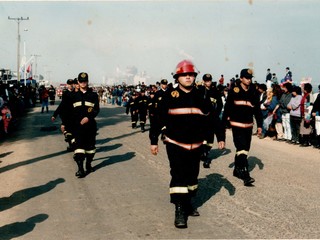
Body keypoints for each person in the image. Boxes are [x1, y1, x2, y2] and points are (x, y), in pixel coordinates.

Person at [149, 60, 215, 229]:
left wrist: (219, 137)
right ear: (177, 77)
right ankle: (179, 210)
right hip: (175, 143)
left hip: (195, 145)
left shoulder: (201, 96)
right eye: (184, 75)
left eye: (191, 75)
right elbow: (157, 119)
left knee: (192, 177)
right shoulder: (169, 96)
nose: (188, 77)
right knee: (178, 174)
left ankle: (187, 203)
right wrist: (154, 140)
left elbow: (211, 117)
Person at [222, 68, 262, 186]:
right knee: (242, 147)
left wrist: (260, 125)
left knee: (244, 149)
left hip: (248, 125)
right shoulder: (234, 90)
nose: (249, 80)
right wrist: (223, 124)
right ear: (241, 78)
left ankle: (236, 170)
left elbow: (257, 110)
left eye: (250, 78)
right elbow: (227, 108)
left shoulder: (253, 91)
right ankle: (245, 174)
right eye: (246, 78)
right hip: (237, 125)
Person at [70, 72, 99, 178]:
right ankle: (80, 169)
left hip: (90, 126)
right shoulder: (73, 96)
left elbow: (96, 109)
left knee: (90, 148)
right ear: (78, 82)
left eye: (85, 81)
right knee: (78, 148)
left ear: (87, 81)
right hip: (77, 126)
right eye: (81, 81)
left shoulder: (93, 95)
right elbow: (68, 111)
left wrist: (88, 117)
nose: (83, 83)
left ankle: (88, 164)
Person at [198, 73, 225, 168]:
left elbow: (220, 104)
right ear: (203, 81)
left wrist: (216, 113)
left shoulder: (215, 91)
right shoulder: (200, 90)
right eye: (206, 80)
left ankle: (206, 152)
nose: (208, 82)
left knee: (210, 137)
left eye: (209, 80)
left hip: (212, 117)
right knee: (202, 137)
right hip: (202, 117)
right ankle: (203, 153)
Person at [52, 79, 75, 151]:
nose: (71, 85)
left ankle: (72, 144)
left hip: (74, 115)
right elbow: (62, 104)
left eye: (72, 84)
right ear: (67, 85)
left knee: (72, 131)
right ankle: (71, 144)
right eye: (69, 84)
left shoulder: (76, 93)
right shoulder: (65, 93)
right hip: (66, 115)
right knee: (66, 130)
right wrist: (54, 115)